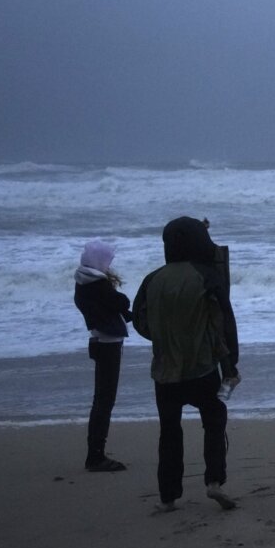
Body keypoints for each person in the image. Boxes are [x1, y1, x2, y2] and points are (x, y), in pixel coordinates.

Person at [132, 216, 241, 512]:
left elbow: (140, 321)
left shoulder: (152, 279)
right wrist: (231, 365)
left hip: (164, 371)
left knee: (169, 431)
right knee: (214, 419)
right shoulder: (207, 276)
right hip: (202, 368)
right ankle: (214, 482)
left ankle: (168, 497)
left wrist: (164, 338)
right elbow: (224, 323)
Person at [73, 239, 133, 472]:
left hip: (99, 340)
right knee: (104, 401)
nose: (109, 265)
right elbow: (121, 302)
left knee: (101, 399)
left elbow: (113, 307)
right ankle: (96, 456)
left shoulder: (83, 282)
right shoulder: (98, 284)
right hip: (108, 343)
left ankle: (95, 452)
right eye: (107, 261)